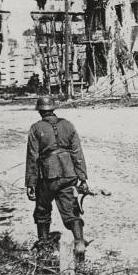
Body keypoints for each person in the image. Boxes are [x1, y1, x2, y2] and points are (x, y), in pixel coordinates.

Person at [25, 96, 89, 261]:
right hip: (68, 174)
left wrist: (31, 183)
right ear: (53, 109)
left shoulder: (36, 128)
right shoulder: (68, 125)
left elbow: (32, 157)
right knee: (71, 211)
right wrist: (82, 177)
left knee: (42, 210)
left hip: (48, 176)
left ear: (40, 111)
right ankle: (80, 242)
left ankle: (44, 244)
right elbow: (77, 153)